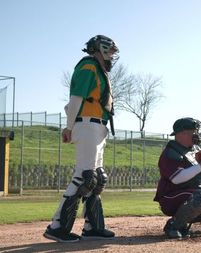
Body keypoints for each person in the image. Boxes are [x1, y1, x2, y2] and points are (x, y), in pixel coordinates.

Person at [43, 35, 119, 242]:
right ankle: (57, 226)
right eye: (110, 51)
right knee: (84, 177)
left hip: (97, 126)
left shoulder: (98, 70)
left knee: (97, 178)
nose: (112, 56)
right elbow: (75, 99)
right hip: (87, 125)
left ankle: (92, 227)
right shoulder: (88, 67)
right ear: (100, 49)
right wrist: (69, 127)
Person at [154, 117, 201, 239]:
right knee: (200, 198)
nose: (197, 134)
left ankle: (181, 222)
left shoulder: (195, 150)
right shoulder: (171, 152)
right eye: (194, 131)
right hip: (171, 196)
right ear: (182, 133)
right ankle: (174, 225)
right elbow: (177, 178)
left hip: (194, 195)